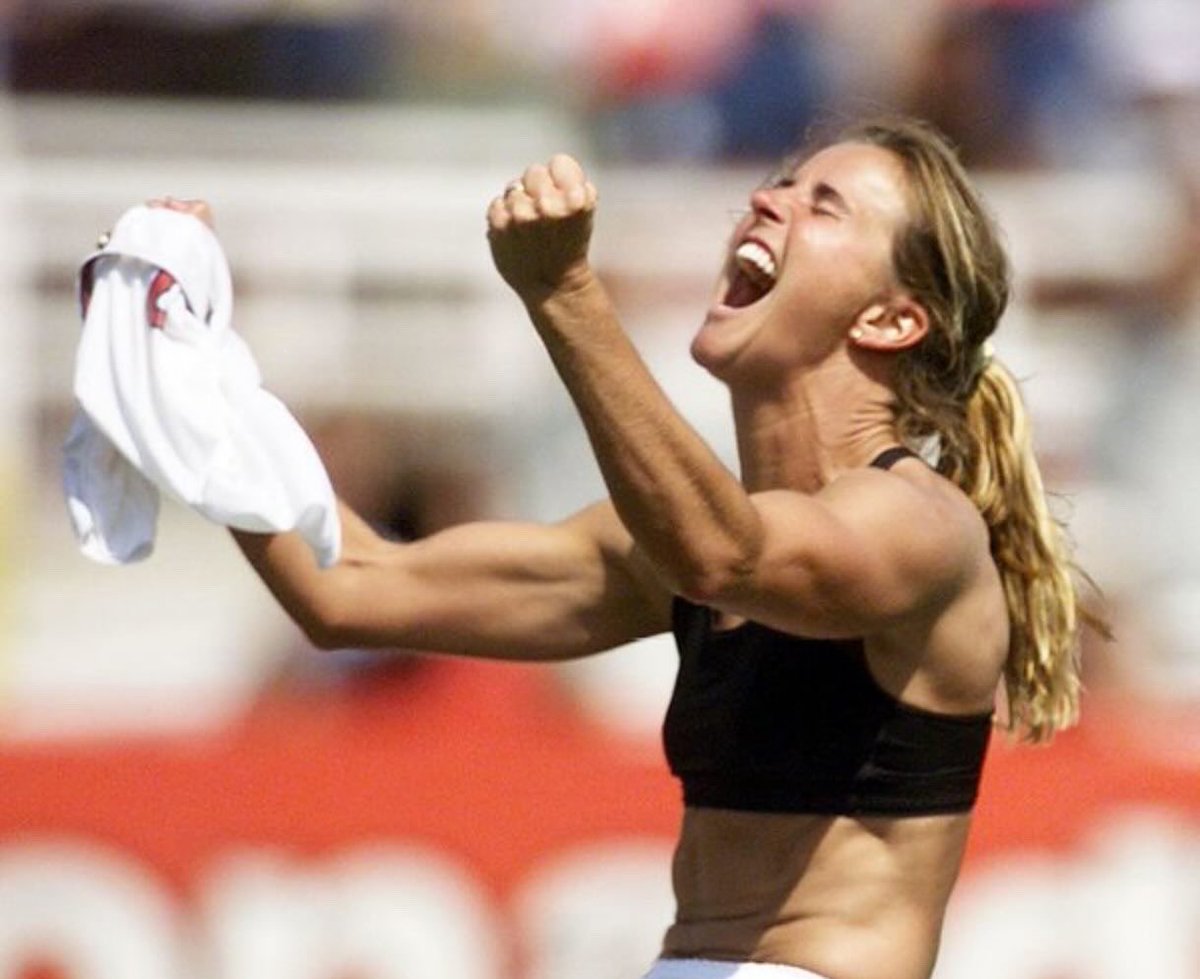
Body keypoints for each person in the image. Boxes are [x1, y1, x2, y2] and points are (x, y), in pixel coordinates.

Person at [153, 116, 1094, 979]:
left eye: (824, 203)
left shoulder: (919, 526)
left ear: (889, 320)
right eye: (781, 182)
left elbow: (726, 558)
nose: (767, 199)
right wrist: (191, 376)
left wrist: (565, 293)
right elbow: (349, 588)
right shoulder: (677, 537)